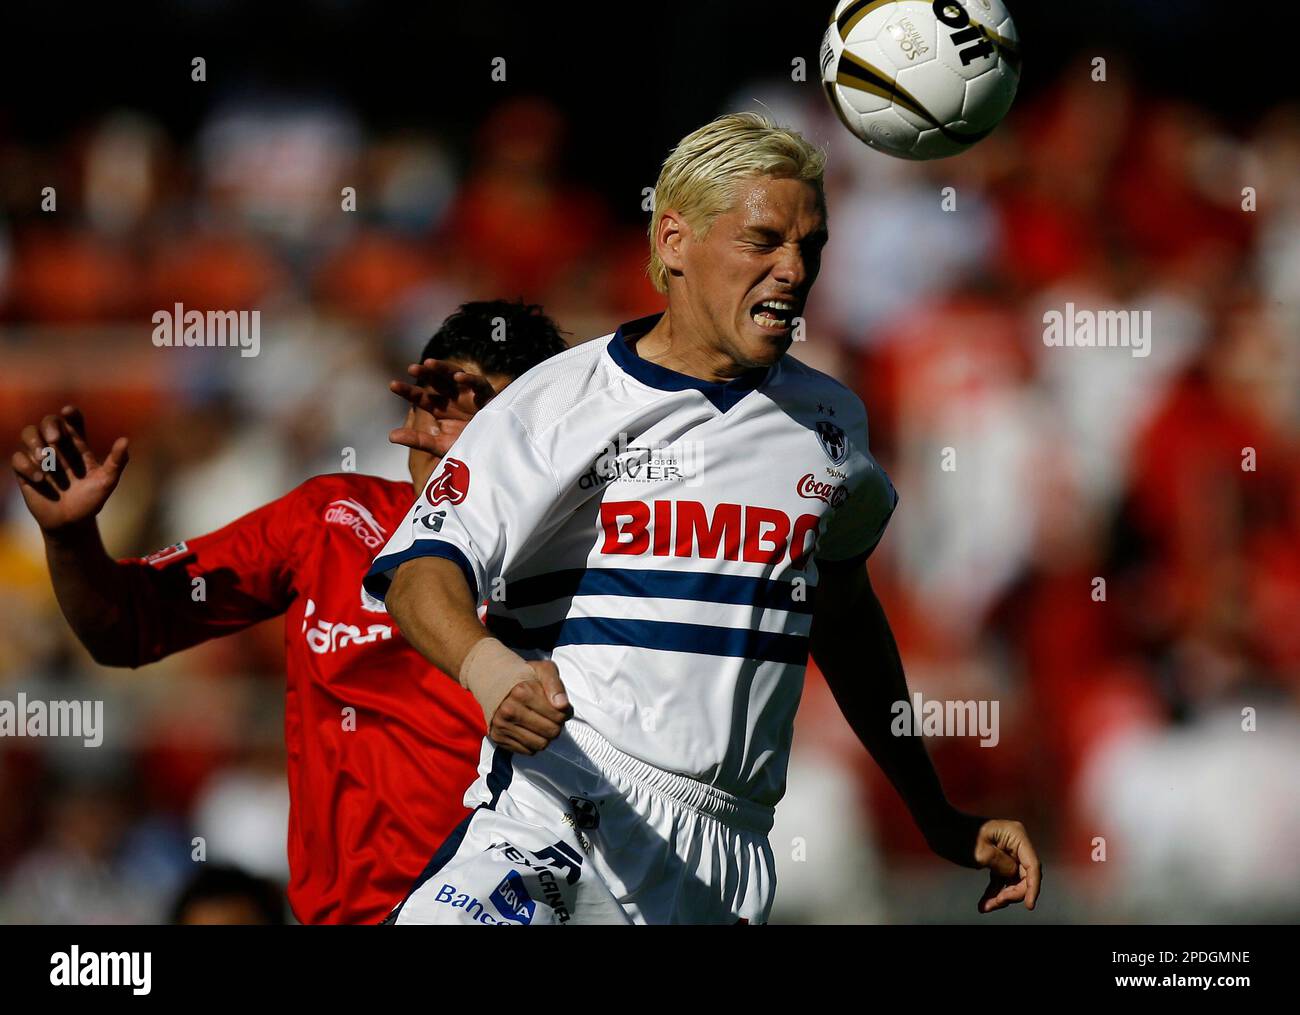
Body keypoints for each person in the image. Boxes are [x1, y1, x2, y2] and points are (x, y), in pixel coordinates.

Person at [366, 114, 1042, 925]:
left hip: (721, 860)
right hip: (560, 810)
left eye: (812, 247)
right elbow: (418, 572)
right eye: (763, 240)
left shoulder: (831, 426)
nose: (793, 270)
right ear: (676, 241)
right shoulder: (558, 403)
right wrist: (489, 670)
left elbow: (845, 616)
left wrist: (936, 816)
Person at [9, 299, 569, 924]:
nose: (443, 431)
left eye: (480, 415)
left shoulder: (581, 560)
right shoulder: (328, 521)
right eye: (432, 400)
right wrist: (70, 539)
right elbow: (126, 629)